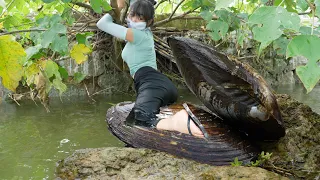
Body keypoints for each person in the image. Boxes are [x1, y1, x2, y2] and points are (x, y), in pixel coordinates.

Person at [96, 0, 204, 137]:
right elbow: (139, 3)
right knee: (131, 122)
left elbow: (102, 24)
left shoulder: (136, 35)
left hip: (152, 85)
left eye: (140, 18)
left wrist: (115, 9)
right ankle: (173, 125)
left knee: (141, 121)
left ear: (149, 22)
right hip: (158, 85)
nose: (134, 20)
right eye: (132, 15)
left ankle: (177, 122)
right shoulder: (144, 34)